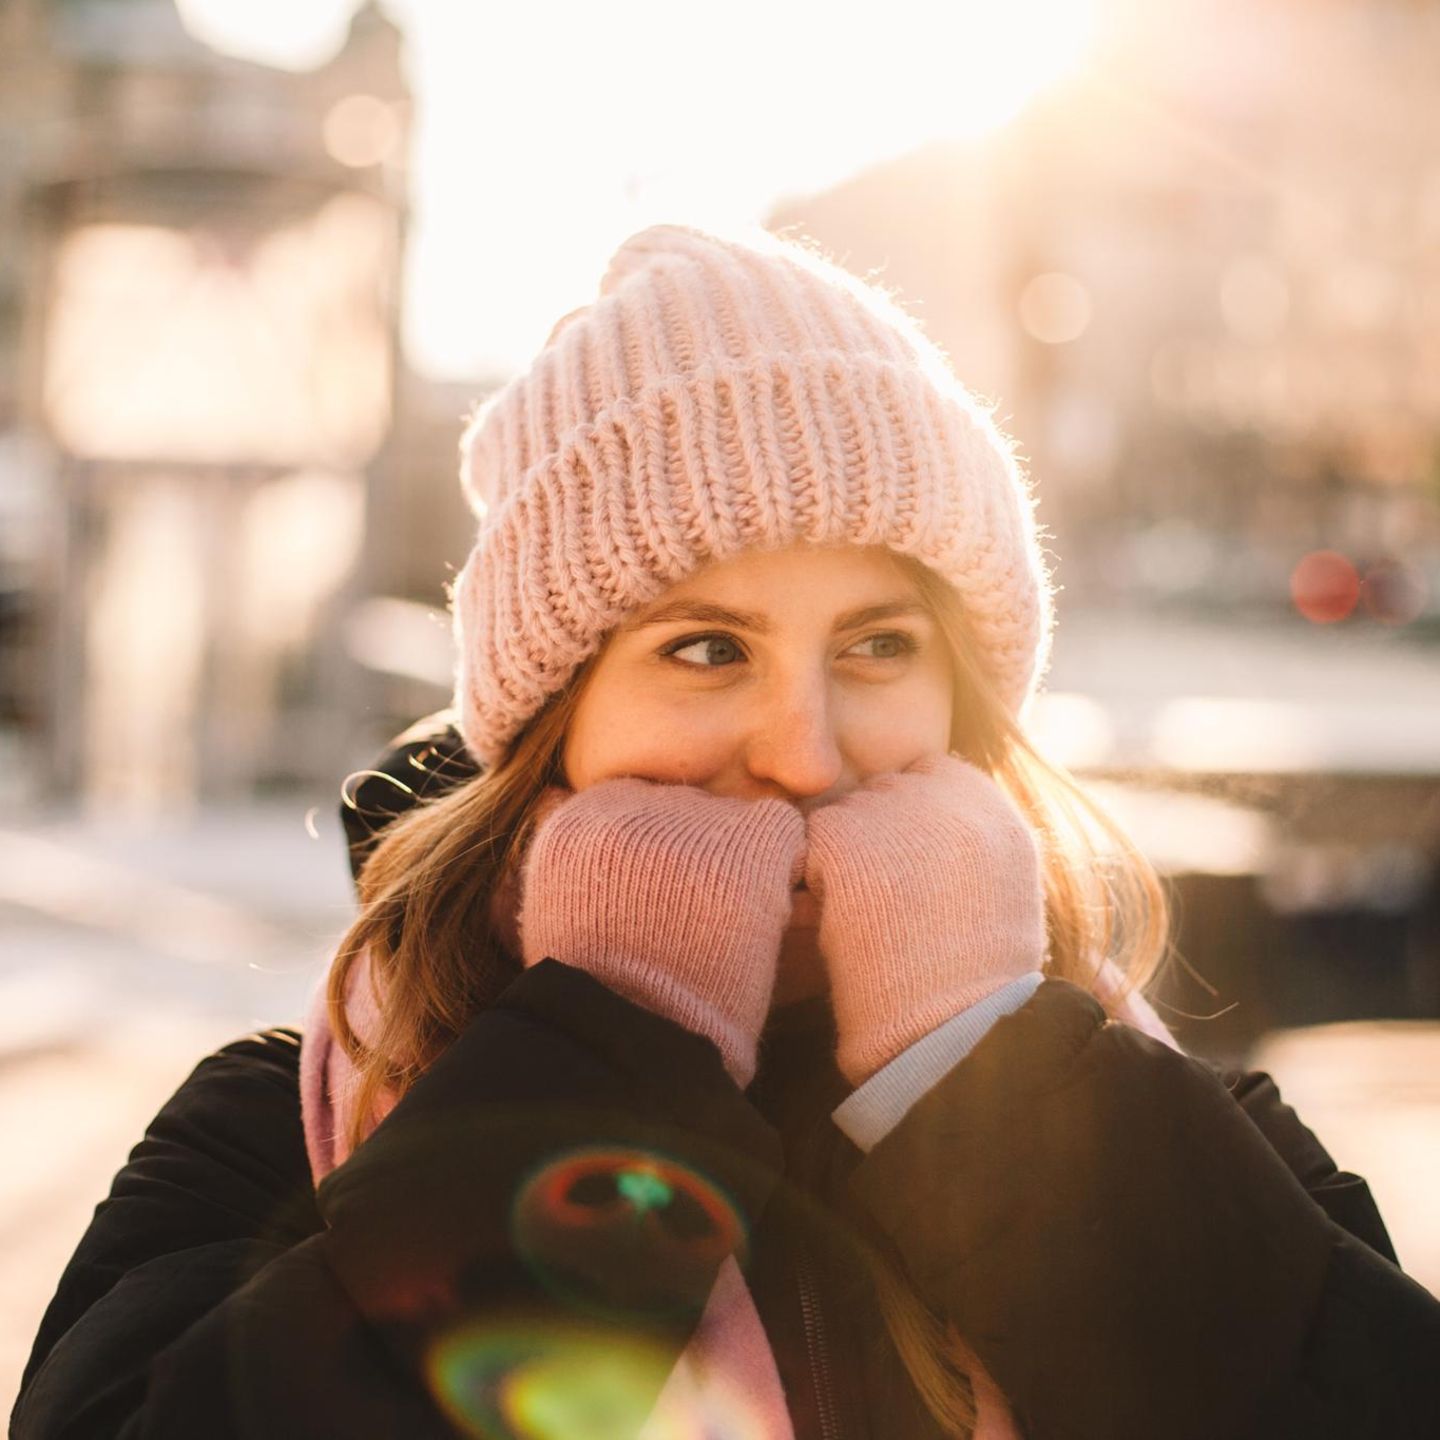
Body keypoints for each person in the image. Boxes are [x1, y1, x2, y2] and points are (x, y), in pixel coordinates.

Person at [13, 224, 1439, 1440]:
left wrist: (983, 1078)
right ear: (550, 721)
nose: (802, 753)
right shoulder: (267, 1130)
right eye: (705, 650)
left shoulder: (1179, 1121)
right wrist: (609, 1054)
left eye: (877, 646)